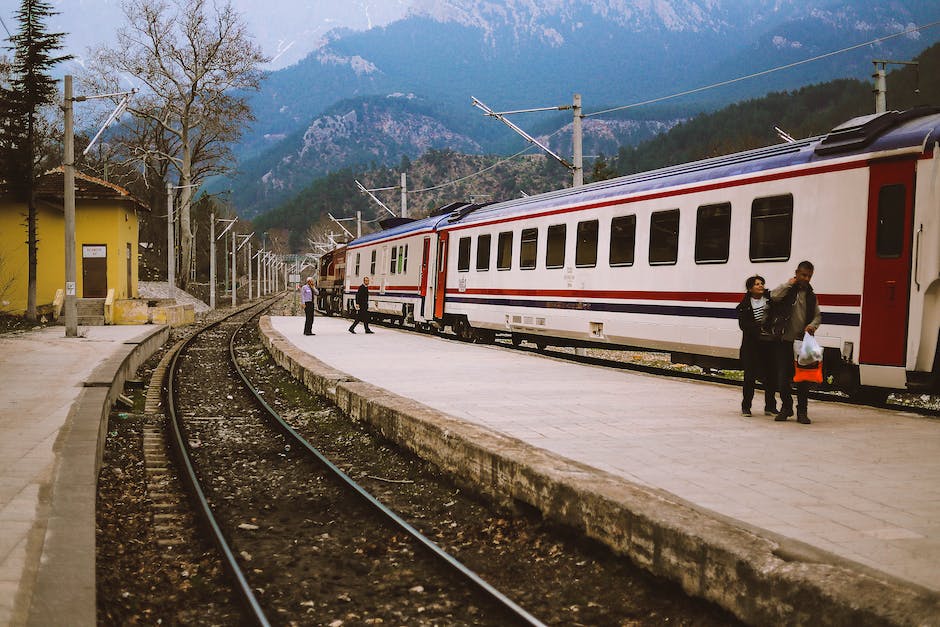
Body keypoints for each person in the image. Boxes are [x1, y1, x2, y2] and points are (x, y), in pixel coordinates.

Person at [769, 261, 821, 424]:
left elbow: (817, 316)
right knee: (783, 378)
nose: (806, 278)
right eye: (803, 275)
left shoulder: (812, 296)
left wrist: (812, 326)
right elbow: (773, 296)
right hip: (784, 340)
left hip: (802, 342)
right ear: (796, 273)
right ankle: (786, 407)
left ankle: (802, 412)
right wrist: (787, 284)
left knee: (803, 379)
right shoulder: (788, 290)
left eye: (809, 276)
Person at [736, 275, 777, 417]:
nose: (761, 286)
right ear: (750, 288)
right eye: (757, 284)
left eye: (762, 283)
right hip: (751, 345)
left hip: (768, 344)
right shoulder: (744, 305)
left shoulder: (770, 301)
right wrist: (758, 327)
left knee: (771, 376)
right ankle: (746, 407)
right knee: (750, 377)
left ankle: (770, 407)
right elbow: (743, 325)